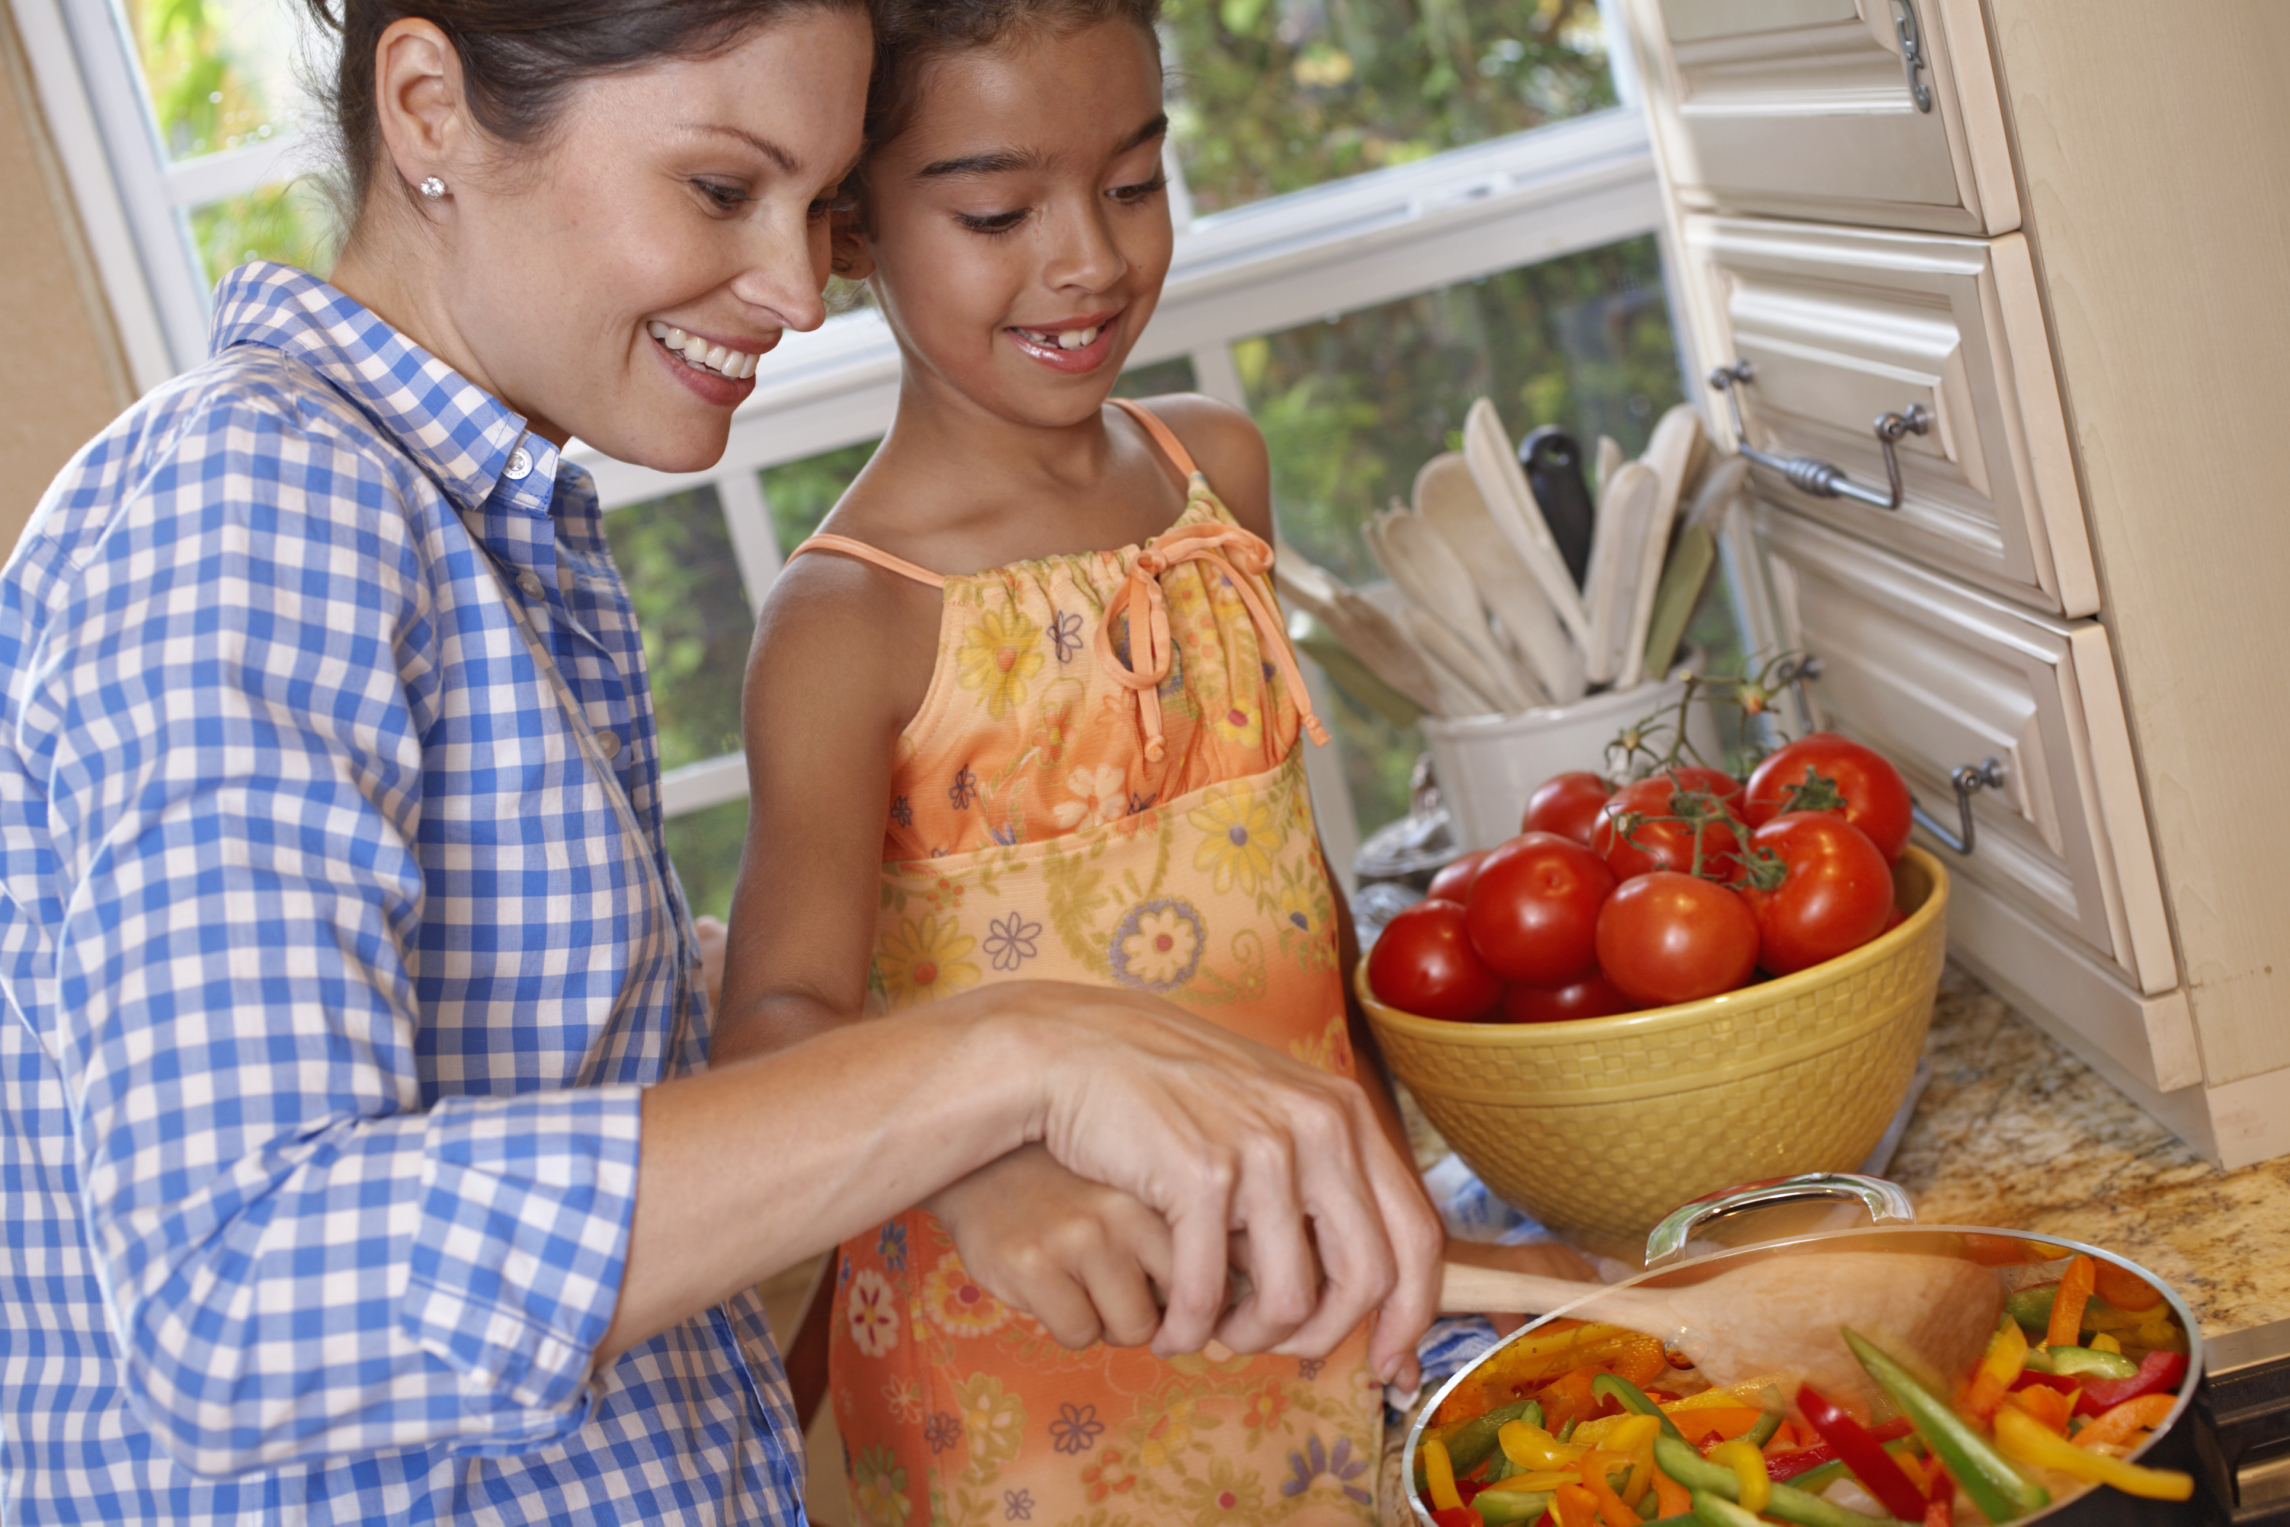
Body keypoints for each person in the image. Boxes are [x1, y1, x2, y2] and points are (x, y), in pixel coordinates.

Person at [0, 2, 1444, 1521]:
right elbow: (241, 1293)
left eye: (816, 205)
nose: (796, 291)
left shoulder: (466, 522)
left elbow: (529, 1067)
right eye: (717, 190)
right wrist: (1008, 1054)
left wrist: (952, 1092)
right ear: (428, 108)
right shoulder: (258, 503)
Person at [712, 4, 1591, 1522]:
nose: (1090, 259)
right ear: (850, 228)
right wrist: (976, 1172)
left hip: (1310, 1310)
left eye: (1132, 182)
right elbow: (771, 1022)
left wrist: (1420, 1228)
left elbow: (1297, 911)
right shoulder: (847, 621)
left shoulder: (1214, 476)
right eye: (997, 210)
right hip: (1021, 1384)